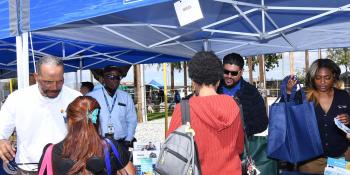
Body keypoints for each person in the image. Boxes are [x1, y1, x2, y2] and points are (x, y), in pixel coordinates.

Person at [0, 55, 81, 174]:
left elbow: (86, 134)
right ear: (36, 77)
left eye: (60, 81)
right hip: (29, 170)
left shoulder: (76, 98)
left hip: (68, 169)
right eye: (48, 82)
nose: (54, 87)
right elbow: (1, 132)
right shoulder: (16, 99)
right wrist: (2, 142)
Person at [167, 51, 244, 174]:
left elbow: (172, 151)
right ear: (219, 80)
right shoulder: (235, 105)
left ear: (194, 81)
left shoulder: (183, 109)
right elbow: (240, 147)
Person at [38, 96, 135, 175]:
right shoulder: (110, 147)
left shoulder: (50, 153)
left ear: (69, 121)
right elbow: (131, 172)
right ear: (96, 120)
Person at [286, 59, 350, 174]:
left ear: (334, 76)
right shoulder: (303, 96)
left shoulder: (343, 96)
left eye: (327, 77)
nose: (322, 82)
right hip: (310, 161)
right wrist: (289, 93)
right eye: (318, 78)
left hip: (339, 157)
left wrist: (348, 120)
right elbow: (288, 118)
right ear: (313, 78)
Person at [217, 53, 268, 136]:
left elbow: (262, 123)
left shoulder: (251, 92)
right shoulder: (213, 89)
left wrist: (242, 129)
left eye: (233, 73)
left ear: (241, 72)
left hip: (242, 145)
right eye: (225, 72)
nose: (229, 76)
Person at [87, 65, 137, 148]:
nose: (115, 80)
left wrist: (128, 139)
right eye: (111, 76)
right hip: (99, 144)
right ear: (103, 79)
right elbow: (87, 121)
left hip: (122, 143)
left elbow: (132, 120)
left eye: (118, 77)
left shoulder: (126, 97)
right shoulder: (91, 97)